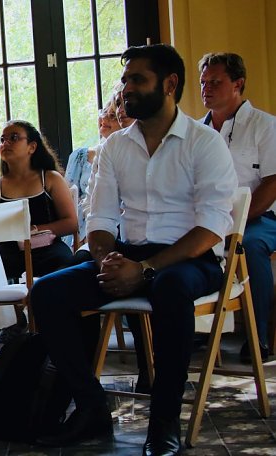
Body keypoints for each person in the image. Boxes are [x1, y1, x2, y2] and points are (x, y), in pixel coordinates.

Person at [31, 44, 236, 455]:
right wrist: (109, 260)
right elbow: (101, 218)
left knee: (169, 288)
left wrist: (145, 270)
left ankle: (163, 423)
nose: (125, 89)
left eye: (137, 79)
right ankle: (91, 409)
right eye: (124, 80)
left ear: (170, 84)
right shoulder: (116, 147)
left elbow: (213, 225)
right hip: (127, 252)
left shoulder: (203, 142)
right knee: (46, 293)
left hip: (189, 257)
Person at [198, 52, 276, 363]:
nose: (207, 88)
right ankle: (196, 329)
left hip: (261, 216)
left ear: (238, 84)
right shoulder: (197, 131)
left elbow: (271, 183)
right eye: (203, 82)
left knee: (249, 245)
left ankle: (258, 339)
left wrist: (236, 223)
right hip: (211, 217)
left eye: (215, 82)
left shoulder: (264, 125)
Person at [0, 120, 77, 280]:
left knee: (65, 266)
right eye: (3, 139)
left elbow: (71, 223)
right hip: (8, 254)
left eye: (14, 137)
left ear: (32, 147)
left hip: (49, 250)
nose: (6, 143)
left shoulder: (50, 179)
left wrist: (33, 230)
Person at [64, 94, 122, 243]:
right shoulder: (80, 156)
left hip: (115, 223)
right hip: (82, 222)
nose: (104, 120)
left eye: (112, 116)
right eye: (103, 113)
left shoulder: (126, 155)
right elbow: (68, 197)